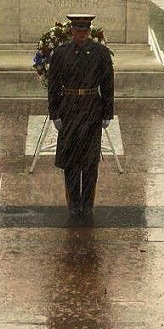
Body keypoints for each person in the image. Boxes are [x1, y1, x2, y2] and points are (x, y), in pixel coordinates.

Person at [48, 14, 114, 220]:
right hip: (69, 108)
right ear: (71, 32)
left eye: (84, 32)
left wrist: (107, 113)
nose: (81, 35)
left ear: (89, 32)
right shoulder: (60, 53)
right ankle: (74, 203)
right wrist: (55, 113)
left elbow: (108, 84)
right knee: (71, 159)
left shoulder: (100, 53)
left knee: (90, 160)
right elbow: (53, 86)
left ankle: (87, 203)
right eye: (77, 32)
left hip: (91, 108)